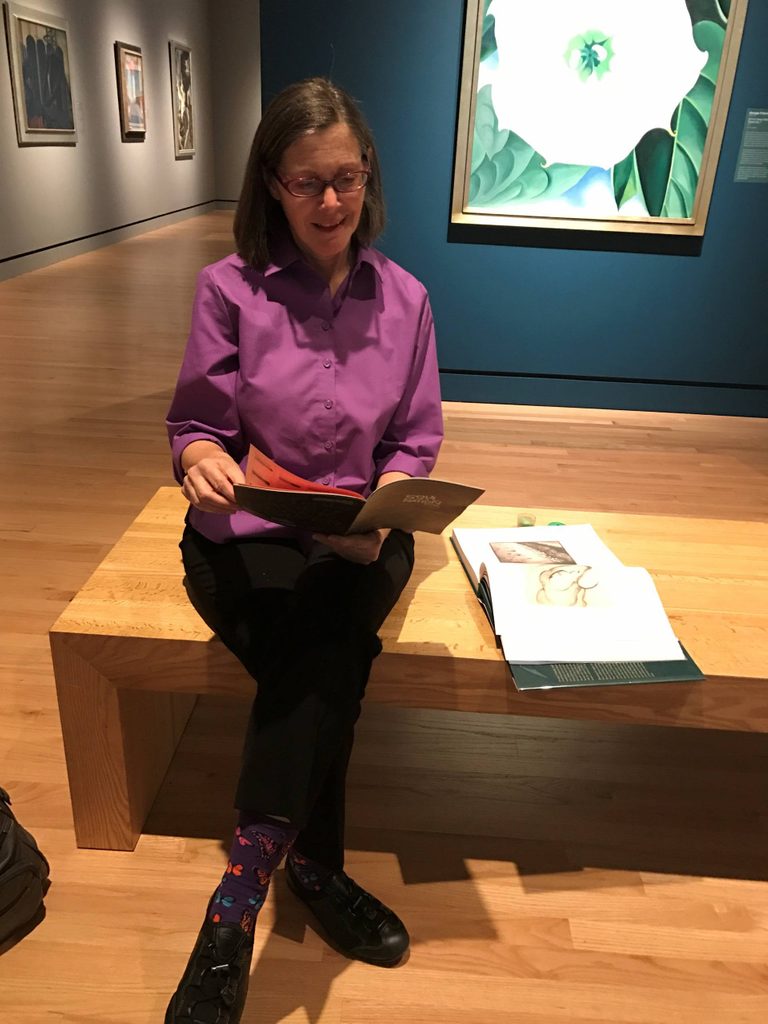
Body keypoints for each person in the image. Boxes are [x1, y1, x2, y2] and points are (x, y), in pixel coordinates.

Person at [164, 77, 443, 1023]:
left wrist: (383, 506)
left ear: (369, 177)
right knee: (329, 656)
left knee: (318, 636)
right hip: (245, 535)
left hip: (360, 539)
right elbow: (196, 426)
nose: (330, 202)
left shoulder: (407, 298)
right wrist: (201, 457)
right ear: (271, 186)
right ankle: (313, 870)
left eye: (347, 178)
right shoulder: (227, 289)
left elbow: (414, 440)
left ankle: (233, 908)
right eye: (306, 182)